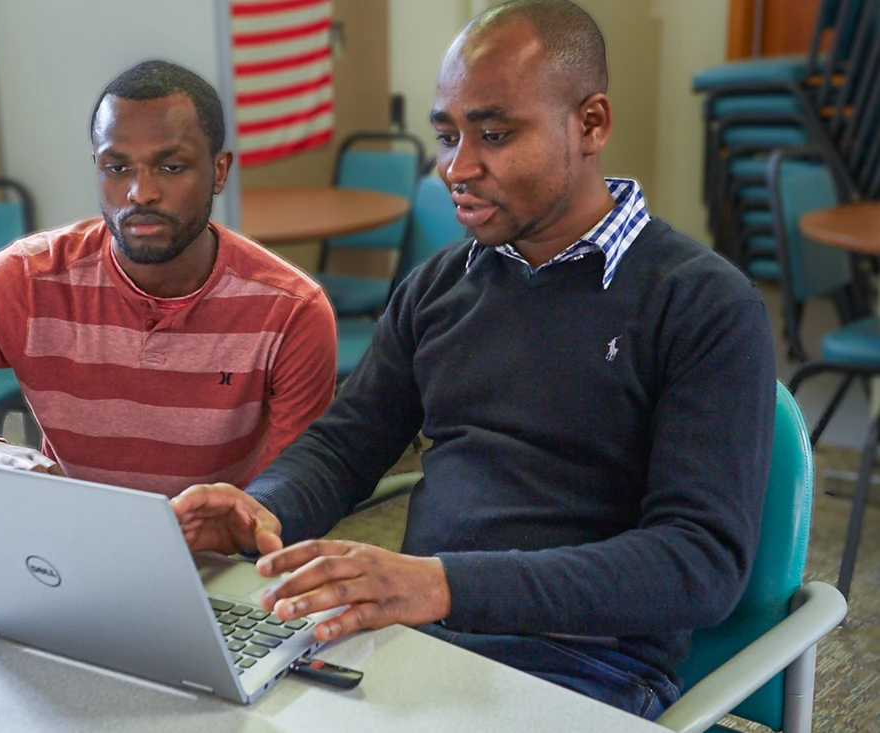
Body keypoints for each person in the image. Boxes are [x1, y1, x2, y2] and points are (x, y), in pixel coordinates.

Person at [171, 0, 776, 720]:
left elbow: (699, 563)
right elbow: (343, 447)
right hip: (414, 634)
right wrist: (260, 506)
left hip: (584, 660)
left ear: (591, 124)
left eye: (493, 133)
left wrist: (444, 583)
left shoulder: (704, 303)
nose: (457, 167)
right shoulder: (439, 286)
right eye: (446, 135)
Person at [0, 60, 337, 496]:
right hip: (69, 549)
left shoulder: (290, 310)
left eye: (172, 166)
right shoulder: (27, 280)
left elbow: (293, 490)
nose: (141, 193)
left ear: (219, 171)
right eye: (117, 168)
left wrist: (234, 526)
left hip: (217, 562)